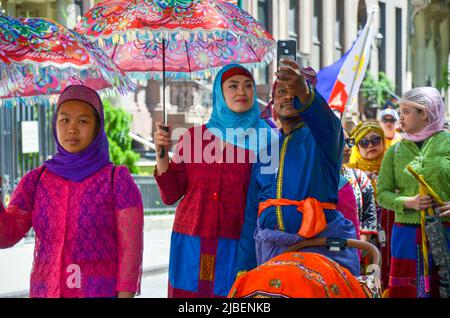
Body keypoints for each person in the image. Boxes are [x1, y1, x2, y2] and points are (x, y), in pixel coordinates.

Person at [0, 85, 144, 298]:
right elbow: (6, 236)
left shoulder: (117, 181)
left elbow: (130, 252)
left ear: (97, 127)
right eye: (64, 120)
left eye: (83, 121)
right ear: (55, 124)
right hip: (45, 292)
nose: (72, 129)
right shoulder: (36, 180)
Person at [153, 64, 274, 298]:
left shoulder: (267, 140)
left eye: (248, 85)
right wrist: (161, 153)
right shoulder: (194, 137)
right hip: (191, 240)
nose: (242, 91)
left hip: (239, 244)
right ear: (219, 93)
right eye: (233, 86)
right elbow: (170, 195)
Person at [235, 59, 360, 278]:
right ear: (273, 103)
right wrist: (244, 268)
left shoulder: (325, 139)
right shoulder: (266, 150)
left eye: (293, 90)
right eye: (280, 91)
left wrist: (303, 90)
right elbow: (251, 216)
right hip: (270, 255)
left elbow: (327, 122)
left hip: (319, 251)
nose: (286, 96)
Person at [377, 87, 450, 298]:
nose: (400, 117)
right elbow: (382, 194)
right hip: (407, 235)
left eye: (406, 111)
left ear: (424, 113)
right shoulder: (395, 151)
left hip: (445, 231)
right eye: (400, 111)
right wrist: (408, 202)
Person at [340, 129, 377, 244]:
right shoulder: (314, 179)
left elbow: (369, 217)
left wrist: (358, 248)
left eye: (349, 142)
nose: (347, 148)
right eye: (341, 142)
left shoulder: (360, 178)